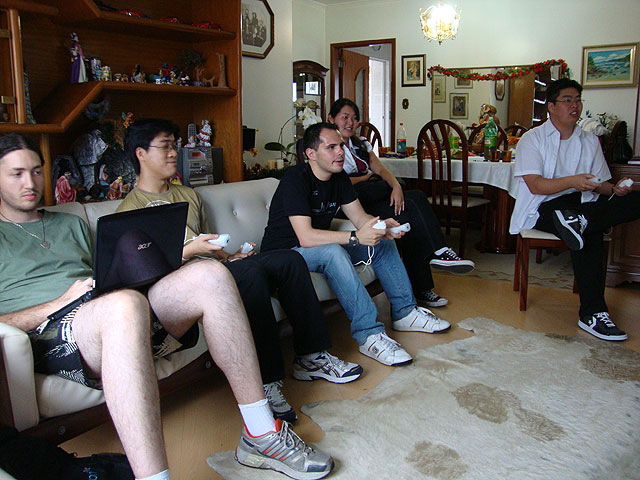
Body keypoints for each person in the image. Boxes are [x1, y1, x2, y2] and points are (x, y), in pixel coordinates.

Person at [0, 133, 334, 480]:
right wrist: (59, 303)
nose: (31, 182)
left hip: (104, 308)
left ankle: (261, 433)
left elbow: (103, 275)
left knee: (211, 275)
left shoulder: (68, 223)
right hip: (48, 330)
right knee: (125, 306)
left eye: (36, 171)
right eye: (16, 174)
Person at [117, 118, 362, 424]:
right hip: (183, 284)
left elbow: (207, 243)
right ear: (140, 153)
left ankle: (312, 356)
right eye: (165, 146)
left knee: (288, 259)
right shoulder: (130, 209)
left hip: (215, 267)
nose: (173, 153)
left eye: (174, 146)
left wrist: (231, 255)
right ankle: (267, 382)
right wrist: (191, 252)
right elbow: (142, 271)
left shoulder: (189, 195)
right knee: (250, 276)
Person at [261, 122, 452, 367]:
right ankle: (369, 335)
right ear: (311, 154)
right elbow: (305, 237)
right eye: (331, 147)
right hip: (285, 254)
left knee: (380, 243)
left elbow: (360, 218)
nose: (340, 152)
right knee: (333, 252)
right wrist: (355, 237)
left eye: (341, 146)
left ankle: (405, 312)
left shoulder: (339, 177)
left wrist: (380, 227)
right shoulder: (295, 180)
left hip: (313, 248)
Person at [509, 78, 640, 341]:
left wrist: (614, 189)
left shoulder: (589, 140)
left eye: (578, 100)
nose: (575, 106)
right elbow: (535, 185)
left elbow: (599, 184)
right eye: (567, 100)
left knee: (634, 200)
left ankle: (579, 221)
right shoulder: (532, 139)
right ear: (551, 106)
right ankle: (593, 313)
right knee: (588, 232)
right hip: (544, 207)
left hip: (582, 205)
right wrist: (572, 181)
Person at [328, 98, 474, 308]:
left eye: (354, 118)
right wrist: (367, 178)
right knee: (410, 210)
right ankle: (426, 277)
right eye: (345, 117)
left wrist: (396, 186)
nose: (350, 122)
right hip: (353, 204)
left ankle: (437, 256)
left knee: (414, 202)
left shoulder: (359, 143)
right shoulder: (330, 147)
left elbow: (380, 169)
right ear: (331, 119)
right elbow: (337, 182)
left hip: (373, 194)